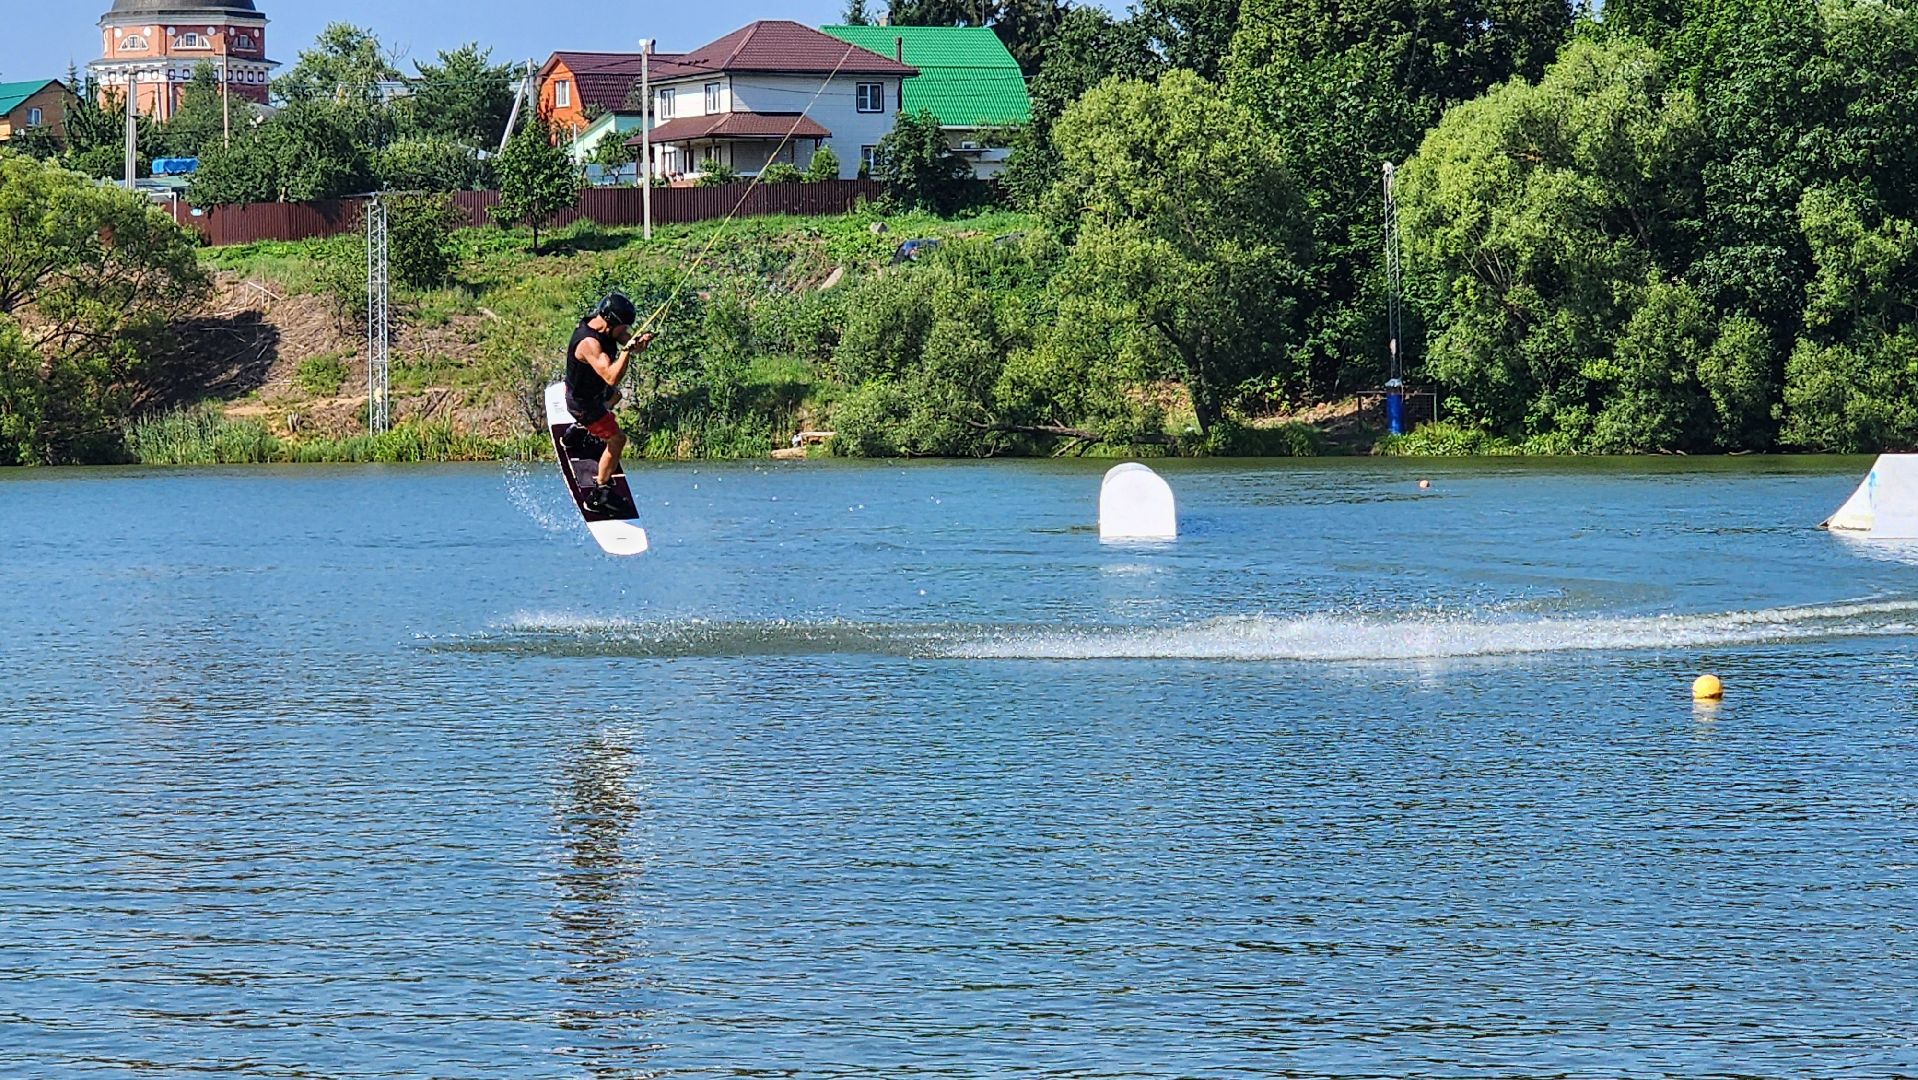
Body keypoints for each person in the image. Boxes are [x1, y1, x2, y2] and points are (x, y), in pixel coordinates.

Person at [562, 291, 655, 513]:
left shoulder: (603, 326)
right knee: (617, 440)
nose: (625, 331)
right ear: (612, 322)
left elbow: (628, 342)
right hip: (583, 404)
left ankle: (576, 433)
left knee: (616, 396)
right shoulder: (589, 344)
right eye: (623, 326)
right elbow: (611, 376)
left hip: (593, 393)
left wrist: (638, 343)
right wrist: (627, 352)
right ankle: (599, 494)